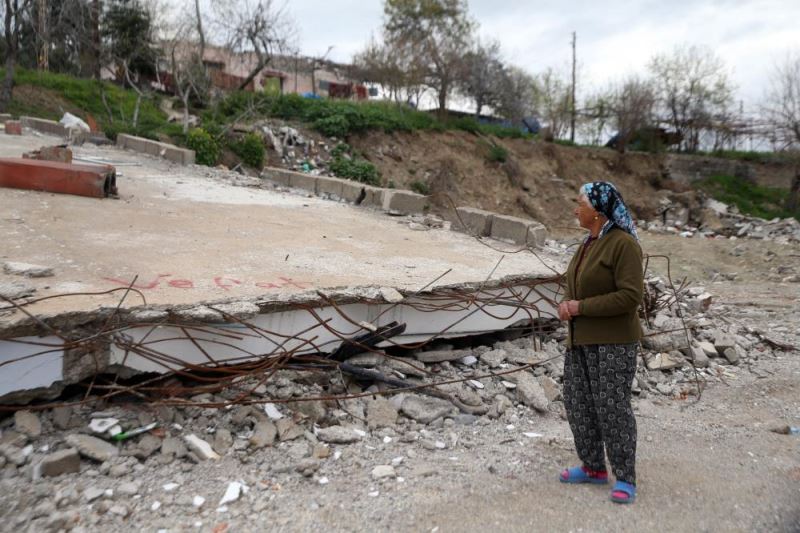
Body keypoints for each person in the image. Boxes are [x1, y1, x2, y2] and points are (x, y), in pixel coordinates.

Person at [557, 181, 644, 504]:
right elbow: (575, 284)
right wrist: (568, 302)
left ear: (598, 210)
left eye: (580, 203)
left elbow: (631, 296)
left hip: (614, 343)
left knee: (612, 408)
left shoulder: (623, 245)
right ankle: (593, 467)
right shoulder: (587, 244)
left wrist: (580, 307)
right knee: (579, 404)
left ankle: (625, 476)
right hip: (579, 340)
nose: (575, 209)